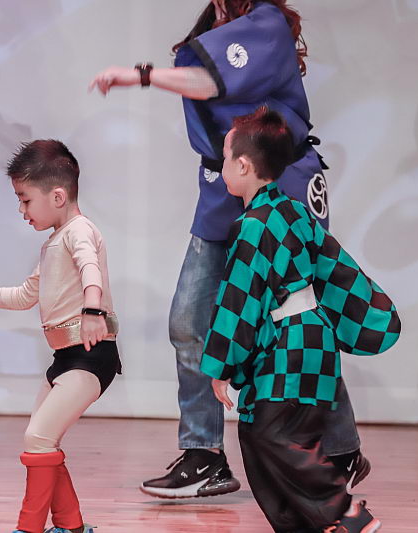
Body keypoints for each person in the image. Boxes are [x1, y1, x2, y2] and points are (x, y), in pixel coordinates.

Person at [89, 0, 370, 498]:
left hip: (281, 187)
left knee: (301, 323)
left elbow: (209, 82)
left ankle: (340, 450)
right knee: (189, 320)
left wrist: (139, 75)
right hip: (224, 188)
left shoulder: (267, 23)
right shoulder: (211, 26)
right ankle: (204, 455)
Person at [201, 106, 399, 532]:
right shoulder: (294, 212)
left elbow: (238, 301)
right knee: (266, 436)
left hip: (287, 348)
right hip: (314, 343)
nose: (221, 166)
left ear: (243, 165)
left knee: (271, 435)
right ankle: (314, 525)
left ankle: (344, 510)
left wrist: (221, 367)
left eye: (224, 157)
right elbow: (336, 269)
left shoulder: (251, 226)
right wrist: (364, 320)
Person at [0, 140, 116, 533]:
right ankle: (70, 526)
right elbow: (23, 296)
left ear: (57, 196)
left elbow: (90, 269)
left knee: (38, 436)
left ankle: (30, 527)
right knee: (40, 440)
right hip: (66, 358)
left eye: (25, 199)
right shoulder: (54, 243)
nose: (21, 210)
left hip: (90, 356)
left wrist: (93, 310)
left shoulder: (79, 232)